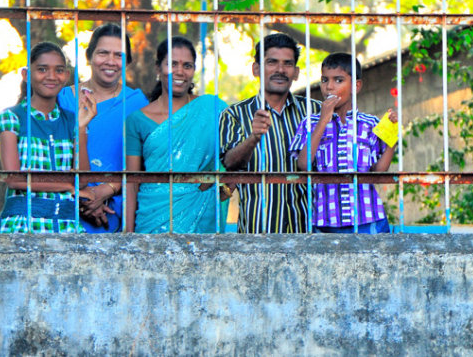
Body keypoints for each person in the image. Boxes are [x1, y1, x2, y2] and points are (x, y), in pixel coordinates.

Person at [124, 36, 228, 233]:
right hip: (152, 218)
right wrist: (128, 236)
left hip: (202, 214)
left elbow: (235, 155)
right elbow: (131, 182)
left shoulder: (212, 109)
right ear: (158, 68)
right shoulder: (136, 120)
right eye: (172, 64)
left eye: (187, 65)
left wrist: (222, 189)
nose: (180, 71)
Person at [219, 33, 321, 233]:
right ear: (256, 69)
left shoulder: (316, 112)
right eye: (272, 62)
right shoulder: (235, 114)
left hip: (309, 233)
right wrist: (253, 138)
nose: (280, 70)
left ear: (297, 72)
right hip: (258, 233)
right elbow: (230, 164)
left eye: (288, 64)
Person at [0, 41, 97, 234]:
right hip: (23, 226)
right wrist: (67, 186)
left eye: (59, 70)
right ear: (27, 75)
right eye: (42, 69)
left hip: (66, 225)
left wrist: (81, 128)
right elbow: (14, 179)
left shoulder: (73, 120)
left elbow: (82, 179)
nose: (51, 76)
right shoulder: (12, 117)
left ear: (66, 76)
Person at [289, 53, 397, 234]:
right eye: (324, 80)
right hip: (326, 221)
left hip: (368, 219)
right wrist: (323, 120)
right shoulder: (310, 123)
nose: (329, 87)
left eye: (338, 80)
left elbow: (379, 172)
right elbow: (303, 164)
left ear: (355, 86)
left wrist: (392, 136)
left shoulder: (369, 124)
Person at [58, 23, 148, 233]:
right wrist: (83, 198)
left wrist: (106, 190)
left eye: (119, 55)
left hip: (115, 217)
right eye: (103, 53)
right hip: (64, 213)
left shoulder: (137, 104)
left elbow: (145, 164)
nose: (110, 61)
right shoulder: (63, 99)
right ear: (89, 56)